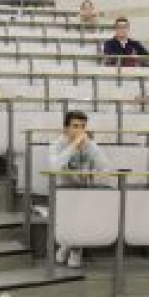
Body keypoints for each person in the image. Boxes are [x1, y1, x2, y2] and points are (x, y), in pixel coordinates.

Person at [49, 110, 111, 268]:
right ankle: (73, 247)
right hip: (62, 191)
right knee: (77, 209)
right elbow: (54, 167)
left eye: (83, 126)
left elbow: (106, 168)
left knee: (87, 207)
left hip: (84, 191)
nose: (79, 130)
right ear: (66, 129)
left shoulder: (90, 145)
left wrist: (93, 172)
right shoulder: (56, 145)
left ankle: (70, 247)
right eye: (75, 126)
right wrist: (74, 146)